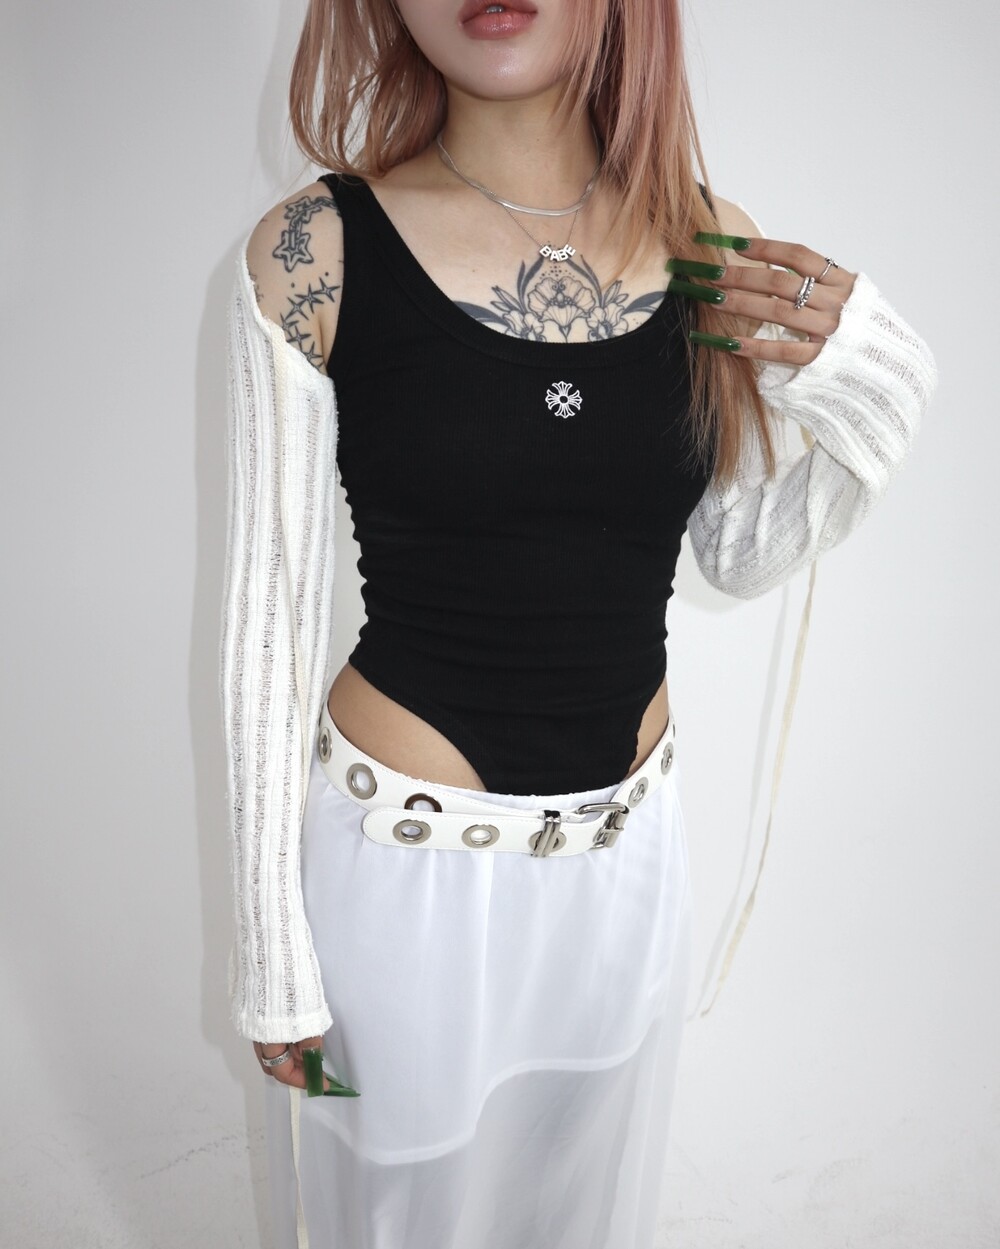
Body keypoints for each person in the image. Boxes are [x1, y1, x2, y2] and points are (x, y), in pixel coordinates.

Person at [219, 1, 937, 1244]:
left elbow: (734, 552)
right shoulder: (313, 252)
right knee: (394, 1218)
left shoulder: (703, 242)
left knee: (579, 1217)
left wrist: (882, 401)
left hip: (629, 865)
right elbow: (261, 624)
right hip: (402, 881)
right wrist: (274, 954)